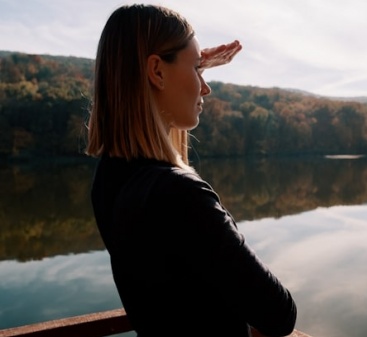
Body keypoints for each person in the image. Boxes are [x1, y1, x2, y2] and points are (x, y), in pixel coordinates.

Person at [85, 4, 297, 337]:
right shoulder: (181, 194)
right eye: (198, 70)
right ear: (156, 72)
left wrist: (188, 67)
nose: (205, 87)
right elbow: (280, 314)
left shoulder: (109, 180)